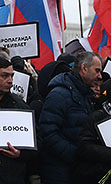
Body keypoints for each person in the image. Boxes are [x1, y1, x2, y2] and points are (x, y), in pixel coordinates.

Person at [39, 51, 102, 184]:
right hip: (59, 171)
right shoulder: (59, 95)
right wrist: (75, 154)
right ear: (84, 68)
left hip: (77, 170)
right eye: (97, 70)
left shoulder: (86, 95)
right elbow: (48, 132)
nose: (99, 76)